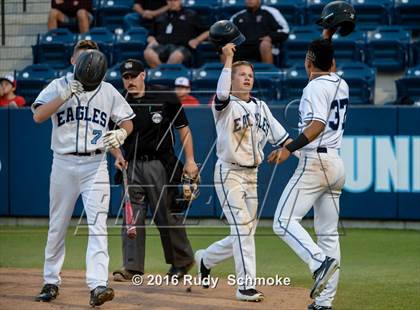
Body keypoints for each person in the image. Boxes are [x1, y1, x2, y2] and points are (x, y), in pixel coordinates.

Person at [32, 40, 135, 307]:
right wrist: (64, 95)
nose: (87, 62)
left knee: (98, 226)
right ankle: (50, 281)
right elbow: (38, 115)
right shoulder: (58, 85)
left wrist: (122, 132)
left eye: (92, 56)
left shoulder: (108, 90)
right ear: (73, 60)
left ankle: (98, 285)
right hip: (63, 164)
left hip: (95, 164)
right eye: (83, 56)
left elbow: (127, 119)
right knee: (58, 226)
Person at [194, 43, 291, 302]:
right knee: (243, 230)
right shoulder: (223, 106)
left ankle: (205, 258)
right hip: (229, 174)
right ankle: (245, 286)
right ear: (231, 78)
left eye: (250, 74)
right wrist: (228, 59)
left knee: (243, 232)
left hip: (253, 176)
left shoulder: (261, 106)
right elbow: (222, 92)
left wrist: (290, 151)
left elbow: (282, 139)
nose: (247, 77)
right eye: (241, 74)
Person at [269, 39, 349, 310]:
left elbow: (316, 125)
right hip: (336, 162)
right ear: (333, 64)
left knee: (282, 220)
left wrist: (288, 149)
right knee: (328, 235)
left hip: (315, 161)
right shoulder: (341, 82)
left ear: (308, 62)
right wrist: (325, 38)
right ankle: (324, 303)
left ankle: (318, 262)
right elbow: (327, 61)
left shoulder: (314, 86)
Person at [112, 59, 199, 281]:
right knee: (132, 218)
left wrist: (190, 160)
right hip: (131, 165)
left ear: (144, 75)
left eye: (133, 76)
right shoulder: (118, 100)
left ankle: (182, 261)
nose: (129, 81)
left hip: (160, 163)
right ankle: (132, 267)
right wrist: (118, 156)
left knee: (166, 215)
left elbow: (184, 129)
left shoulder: (165, 96)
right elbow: (110, 136)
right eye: (126, 77)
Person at [144, 0, 209, 68]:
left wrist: (197, 40)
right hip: (161, 46)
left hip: (182, 47)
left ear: (180, 1)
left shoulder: (190, 14)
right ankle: (166, 74)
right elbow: (151, 35)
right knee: (148, 53)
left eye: (175, 0)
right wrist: (152, 41)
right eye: (170, 0)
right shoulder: (161, 16)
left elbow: (207, 31)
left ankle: (163, 74)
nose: (172, 2)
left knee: (176, 56)